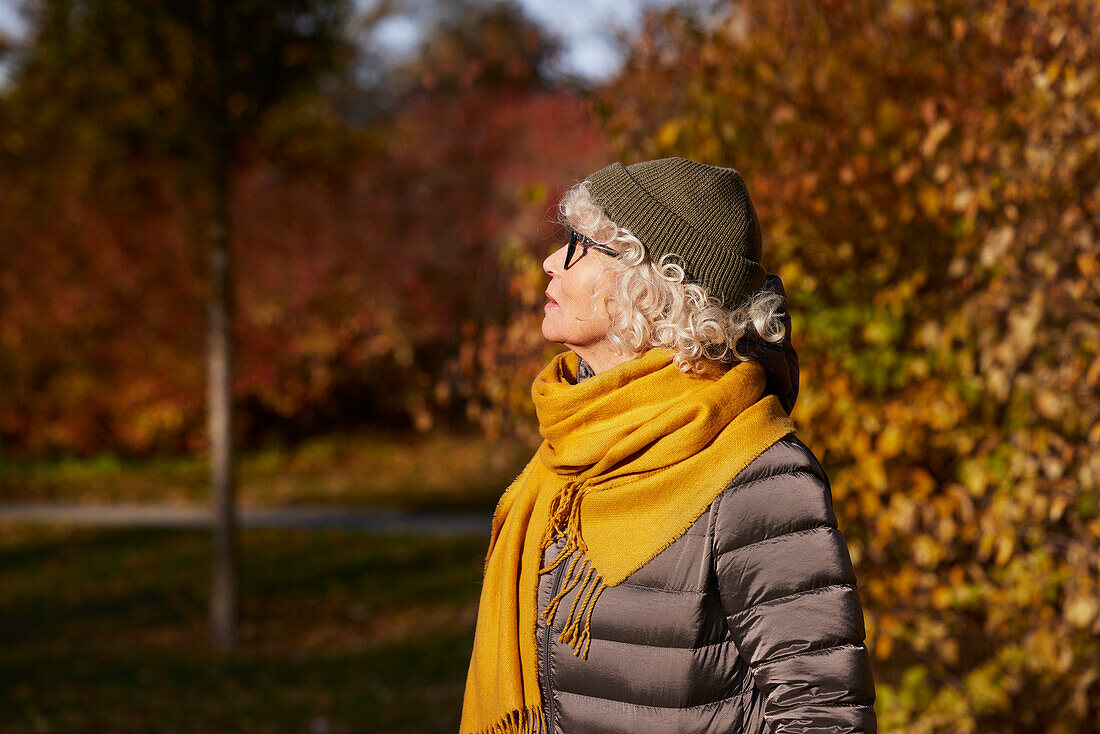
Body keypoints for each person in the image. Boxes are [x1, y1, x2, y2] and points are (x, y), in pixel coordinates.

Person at [460, 157, 876, 734]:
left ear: (649, 284)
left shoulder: (759, 473)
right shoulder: (574, 446)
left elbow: (823, 717)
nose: (551, 262)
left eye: (580, 245)